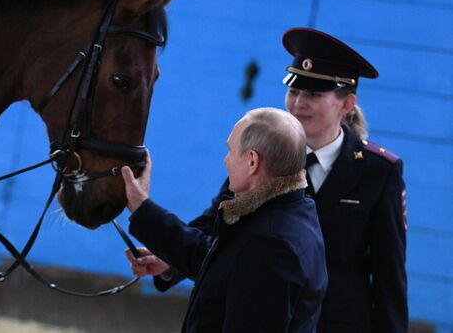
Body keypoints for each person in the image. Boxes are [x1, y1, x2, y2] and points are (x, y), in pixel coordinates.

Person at [125, 28, 408, 333]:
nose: (299, 103)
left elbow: (388, 275)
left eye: (313, 94)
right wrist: (171, 262)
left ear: (347, 103)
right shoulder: (266, 153)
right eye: (294, 91)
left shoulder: (379, 171)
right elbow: (219, 227)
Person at [122, 107, 328, 332]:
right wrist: (143, 210)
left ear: (252, 161)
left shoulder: (268, 245)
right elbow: (222, 259)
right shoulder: (291, 211)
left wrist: (141, 208)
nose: (225, 161)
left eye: (230, 150)